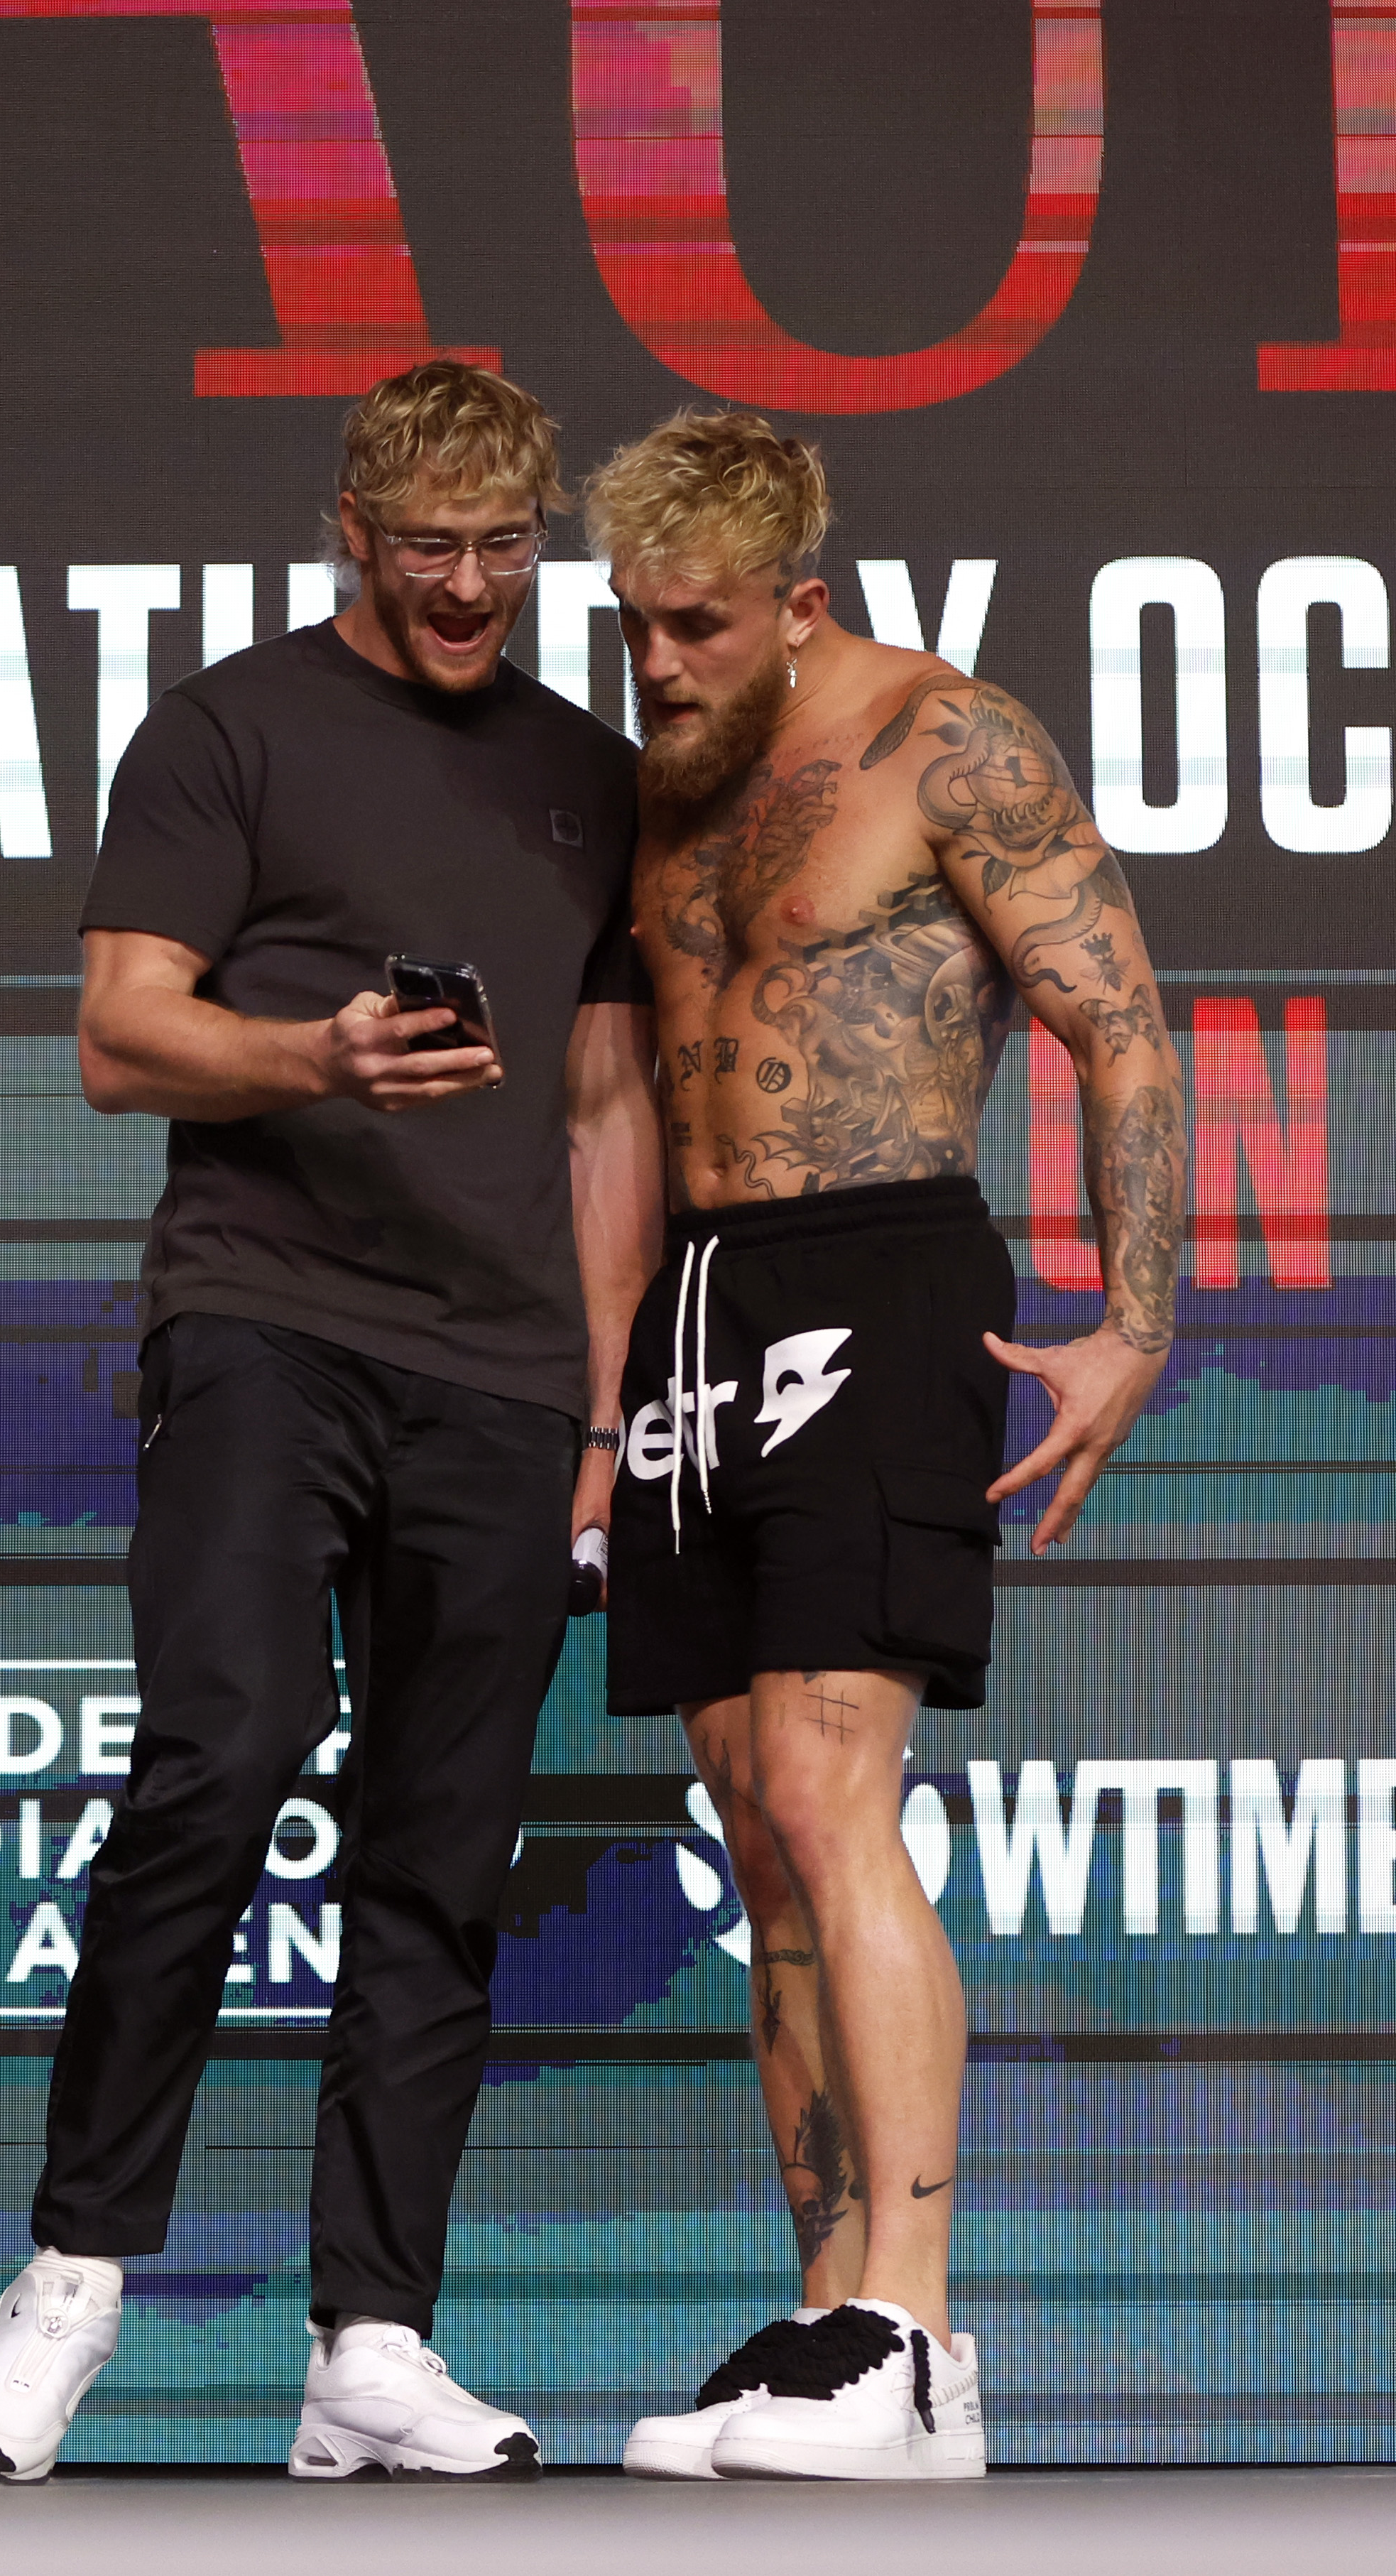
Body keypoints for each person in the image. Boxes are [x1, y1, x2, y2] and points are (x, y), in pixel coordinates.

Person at [0, 362, 661, 2483]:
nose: (463, 585)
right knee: (218, 1752)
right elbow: (116, 1036)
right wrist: (323, 1052)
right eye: (423, 544)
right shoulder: (230, 724)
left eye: (502, 546)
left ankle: (374, 2338)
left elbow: (609, 1110)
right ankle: (70, 2277)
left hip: (507, 1376)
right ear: (350, 524)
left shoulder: (585, 776)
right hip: (266, 1322)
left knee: (441, 1856)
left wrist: (602, 1414)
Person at [583, 412, 1185, 2482]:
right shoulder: (651, 789)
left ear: (799, 602)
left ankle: (916, 2331)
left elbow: (1115, 1016)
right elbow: (610, 1105)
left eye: (697, 627)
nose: (657, 664)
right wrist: (599, 1399)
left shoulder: (949, 741)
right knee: (752, 1817)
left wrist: (1130, 1320)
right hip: (694, 1298)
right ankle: (822, 2311)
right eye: (632, 625)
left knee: (838, 1780)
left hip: (881, 1264)